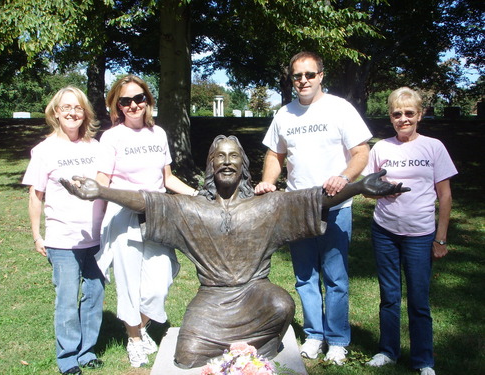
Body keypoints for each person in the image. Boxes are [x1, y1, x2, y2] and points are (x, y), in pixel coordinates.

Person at [60, 134, 409, 369]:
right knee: (186, 357)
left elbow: (314, 199)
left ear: (243, 165)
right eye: (219, 157)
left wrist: (359, 185)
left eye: (233, 157)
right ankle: (250, 345)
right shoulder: (193, 208)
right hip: (213, 299)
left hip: (255, 293)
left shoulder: (266, 207)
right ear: (211, 165)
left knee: (281, 303)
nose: (227, 163)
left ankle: (257, 345)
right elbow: (149, 200)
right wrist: (102, 191)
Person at [255, 51, 372, 364]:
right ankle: (314, 335)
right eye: (297, 76)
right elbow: (273, 156)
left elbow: (361, 153)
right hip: (297, 208)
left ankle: (337, 340)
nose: (303, 81)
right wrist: (268, 181)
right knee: (305, 278)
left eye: (309, 74)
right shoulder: (284, 114)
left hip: (335, 206)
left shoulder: (339, 109)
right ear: (292, 79)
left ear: (321, 76)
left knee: (335, 278)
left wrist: (343, 177)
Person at [95, 74, 197, 368]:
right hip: (124, 216)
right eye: (125, 101)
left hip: (157, 215)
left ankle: (139, 326)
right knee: (129, 283)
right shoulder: (111, 137)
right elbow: (102, 181)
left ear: (148, 101)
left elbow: (167, 179)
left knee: (160, 279)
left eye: (138, 98)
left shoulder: (159, 134)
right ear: (117, 106)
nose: (133, 105)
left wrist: (197, 194)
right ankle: (135, 339)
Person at [363, 87, 457, 375]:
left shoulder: (434, 146)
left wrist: (440, 238)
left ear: (420, 115)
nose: (403, 119)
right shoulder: (381, 148)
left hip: (420, 234)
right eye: (397, 114)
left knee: (418, 299)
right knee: (389, 295)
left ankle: (423, 360)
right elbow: (368, 189)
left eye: (409, 113)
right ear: (390, 117)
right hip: (385, 231)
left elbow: (445, 196)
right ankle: (388, 351)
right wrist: (382, 193)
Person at [22, 87, 105, 375]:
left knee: (94, 295)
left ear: (85, 113)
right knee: (67, 299)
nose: (72, 112)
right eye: (66, 107)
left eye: (78, 108)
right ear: (56, 112)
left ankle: (87, 351)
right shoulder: (44, 151)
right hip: (62, 240)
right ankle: (68, 358)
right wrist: (37, 234)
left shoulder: (96, 148)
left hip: (97, 238)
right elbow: (36, 195)